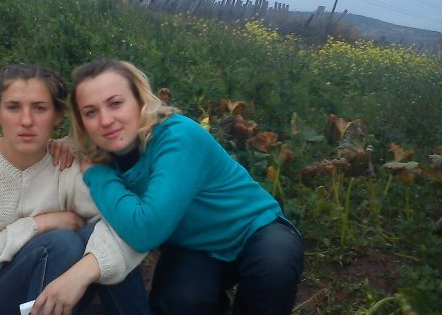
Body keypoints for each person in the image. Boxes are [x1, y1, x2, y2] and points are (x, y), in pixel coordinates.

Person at [69, 59, 304, 315]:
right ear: (81, 122)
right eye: (90, 112)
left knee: (274, 266)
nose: (105, 120)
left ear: (139, 100)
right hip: (194, 247)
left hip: (254, 229)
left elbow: (146, 230)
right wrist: (60, 147)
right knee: (177, 302)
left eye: (115, 103)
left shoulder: (177, 136)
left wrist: (96, 175)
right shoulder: (103, 155)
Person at [0, 63, 150, 315]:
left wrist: (84, 272)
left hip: (52, 292)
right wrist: (40, 224)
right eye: (13, 107)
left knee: (106, 237)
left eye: (39, 108)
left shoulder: (65, 164)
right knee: (61, 243)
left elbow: (128, 228)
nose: (26, 121)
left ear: (57, 115)